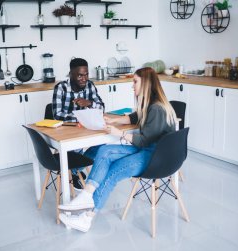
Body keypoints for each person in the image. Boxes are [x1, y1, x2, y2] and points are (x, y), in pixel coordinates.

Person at [58, 67, 178, 232]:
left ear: (146, 84)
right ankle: (86, 195)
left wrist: (119, 133)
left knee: (112, 172)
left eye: (135, 82)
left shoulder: (157, 109)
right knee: (104, 151)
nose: (132, 86)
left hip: (155, 158)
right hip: (148, 150)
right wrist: (114, 121)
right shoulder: (151, 104)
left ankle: (86, 218)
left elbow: (143, 141)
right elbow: (134, 117)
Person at [52, 58, 105, 189]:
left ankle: (74, 171)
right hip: (66, 130)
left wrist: (90, 103)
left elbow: (102, 108)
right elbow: (57, 115)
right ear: (71, 74)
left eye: (86, 74)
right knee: (75, 148)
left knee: (102, 144)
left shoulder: (90, 85)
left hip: (85, 128)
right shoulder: (61, 88)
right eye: (80, 75)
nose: (84, 78)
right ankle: (75, 171)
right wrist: (81, 117)